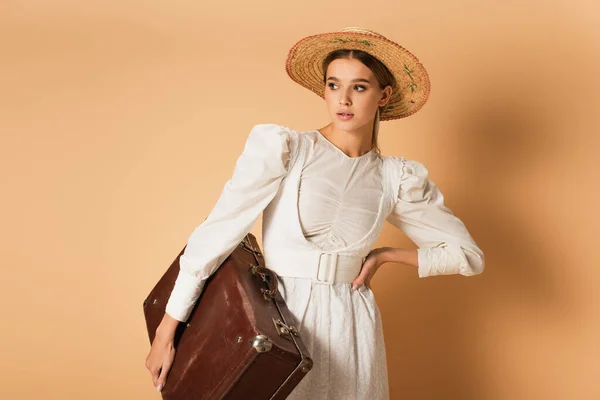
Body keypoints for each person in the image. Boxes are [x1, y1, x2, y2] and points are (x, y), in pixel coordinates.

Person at [145, 27, 485, 399]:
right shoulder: (288, 150)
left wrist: (385, 256)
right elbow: (218, 233)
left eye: (359, 87)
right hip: (280, 319)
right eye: (333, 85)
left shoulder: (396, 178)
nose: (343, 99)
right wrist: (168, 329)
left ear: (383, 95)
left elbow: (466, 256)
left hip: (352, 328)